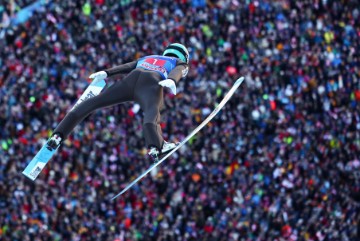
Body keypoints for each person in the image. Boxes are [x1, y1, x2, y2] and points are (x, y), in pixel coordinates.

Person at [46, 43, 189, 161]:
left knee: (94, 102)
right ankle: (156, 146)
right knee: (152, 112)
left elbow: (127, 66)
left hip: (129, 81)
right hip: (150, 83)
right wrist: (172, 80)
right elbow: (180, 69)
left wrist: (107, 72)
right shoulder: (177, 61)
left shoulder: (149, 57)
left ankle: (58, 134)